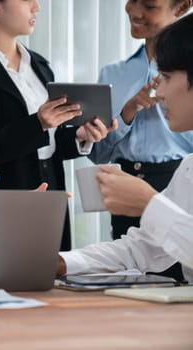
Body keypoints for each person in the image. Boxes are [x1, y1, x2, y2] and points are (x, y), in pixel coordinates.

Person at [0, 0, 116, 251]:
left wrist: (80, 136)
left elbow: (48, 143)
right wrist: (37, 123)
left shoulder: (39, 66)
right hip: (6, 197)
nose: (36, 7)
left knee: (52, 278)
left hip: (52, 189)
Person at [58, 12, 193, 283]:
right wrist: (60, 263)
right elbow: (143, 249)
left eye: (165, 76)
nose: (159, 92)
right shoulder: (190, 167)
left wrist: (149, 203)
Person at [89, 0, 193, 239]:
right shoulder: (112, 74)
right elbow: (98, 153)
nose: (135, 11)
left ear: (181, 8)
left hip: (176, 183)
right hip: (124, 185)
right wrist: (128, 112)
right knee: (129, 266)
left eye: (148, 5)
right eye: (132, 0)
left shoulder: (187, 76)